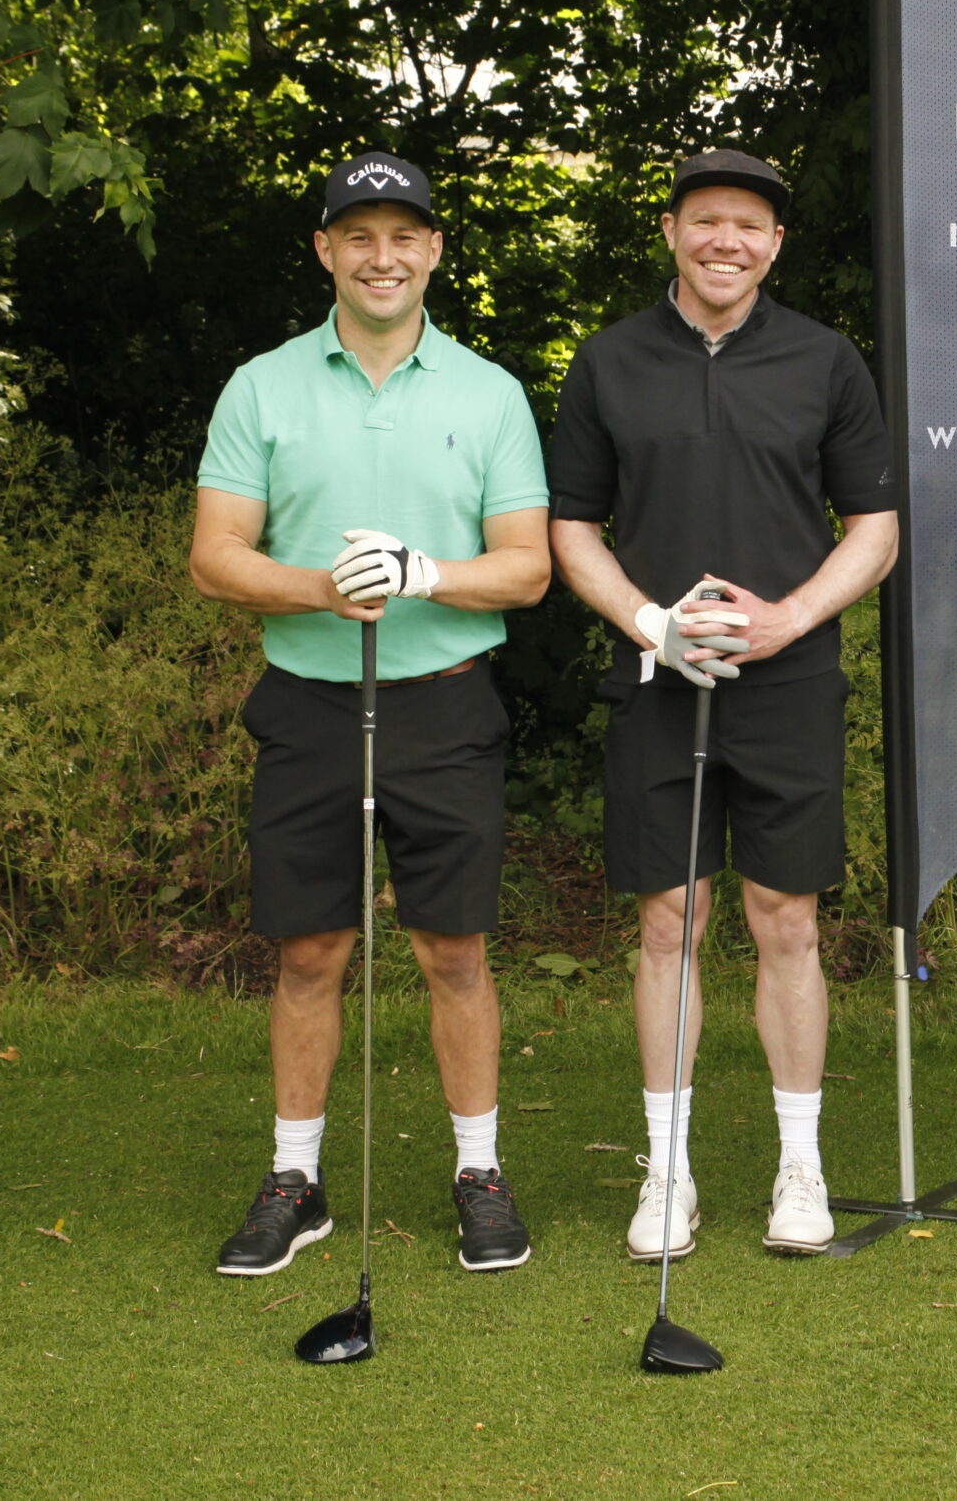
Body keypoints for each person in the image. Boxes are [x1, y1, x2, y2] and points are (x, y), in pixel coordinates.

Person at [189, 153, 553, 1276]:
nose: (382, 256)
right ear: (325, 251)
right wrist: (327, 588)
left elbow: (527, 570)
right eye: (359, 236)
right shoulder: (262, 385)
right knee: (311, 951)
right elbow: (215, 558)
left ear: (435, 250)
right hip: (307, 701)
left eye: (404, 236)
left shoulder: (487, 391)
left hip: (445, 706)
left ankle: (478, 1172)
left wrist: (424, 576)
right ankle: (296, 1179)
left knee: (453, 949)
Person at [547, 150, 898, 1261]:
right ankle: (668, 1174)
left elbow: (875, 529)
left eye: (748, 227)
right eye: (706, 223)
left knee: (785, 921)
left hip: (786, 679)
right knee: (669, 924)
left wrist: (788, 617)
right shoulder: (606, 364)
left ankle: (802, 1168)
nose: (725, 243)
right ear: (670, 231)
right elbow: (572, 530)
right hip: (659, 678)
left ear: (775, 244)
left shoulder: (824, 359)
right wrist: (649, 625)